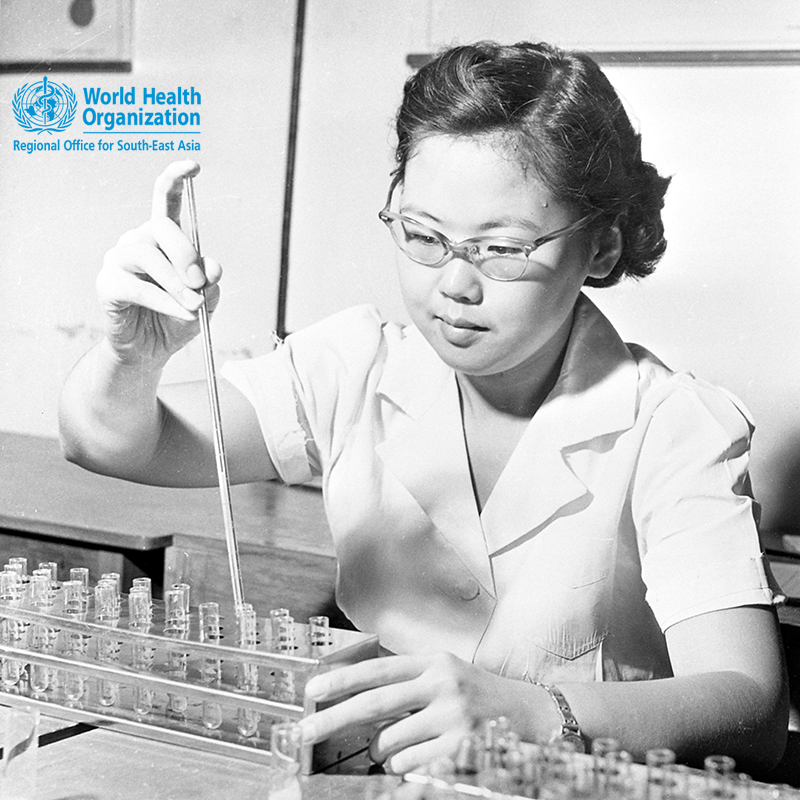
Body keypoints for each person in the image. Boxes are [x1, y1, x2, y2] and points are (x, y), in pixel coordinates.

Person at [59, 41, 788, 775]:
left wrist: (538, 714)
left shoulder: (673, 423)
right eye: (423, 236)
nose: (455, 285)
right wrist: (132, 356)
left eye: (503, 249)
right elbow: (109, 442)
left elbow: (751, 707)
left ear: (600, 247)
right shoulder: (353, 366)